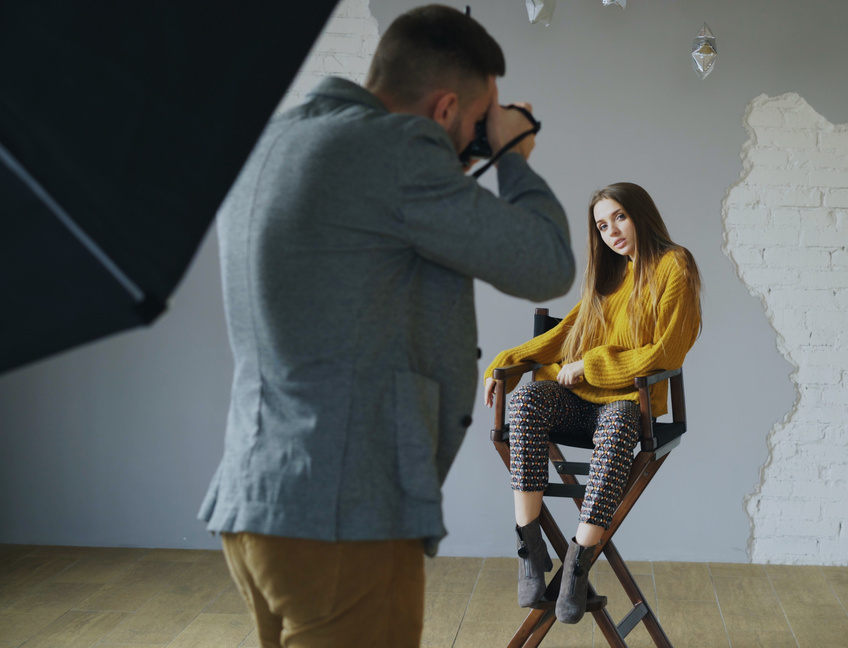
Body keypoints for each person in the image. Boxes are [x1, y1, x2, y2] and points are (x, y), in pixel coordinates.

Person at [197, 5, 575, 647]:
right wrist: (511, 153)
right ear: (447, 108)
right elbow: (547, 265)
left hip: (256, 497)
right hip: (347, 513)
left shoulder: (276, 137)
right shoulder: (395, 156)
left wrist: (454, 154)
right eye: (477, 121)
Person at [482, 182, 702, 624]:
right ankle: (531, 549)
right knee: (525, 400)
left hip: (631, 401)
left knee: (619, 422)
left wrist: (590, 365)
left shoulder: (674, 265)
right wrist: (506, 362)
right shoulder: (611, 274)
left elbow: (666, 352)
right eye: (602, 225)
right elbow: (566, 333)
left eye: (619, 216)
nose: (612, 231)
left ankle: (578, 564)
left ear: (640, 214)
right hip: (580, 403)